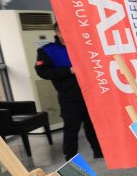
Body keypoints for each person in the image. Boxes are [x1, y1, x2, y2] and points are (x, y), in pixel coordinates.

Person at [35, 23, 103, 161]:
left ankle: (99, 152)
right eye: (62, 31)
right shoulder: (47, 50)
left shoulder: (83, 46)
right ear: (57, 32)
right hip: (69, 96)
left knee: (93, 125)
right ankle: (71, 158)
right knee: (71, 128)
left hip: (90, 93)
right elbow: (43, 72)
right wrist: (68, 71)